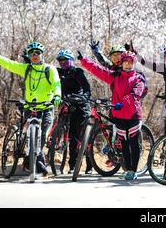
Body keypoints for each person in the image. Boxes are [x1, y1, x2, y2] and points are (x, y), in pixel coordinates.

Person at [0, 41, 61, 178]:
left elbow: (56, 83)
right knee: (27, 133)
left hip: (46, 106)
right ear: (28, 56)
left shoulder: (50, 69)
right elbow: (7, 63)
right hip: (30, 106)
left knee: (43, 135)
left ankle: (34, 162)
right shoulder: (26, 68)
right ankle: (31, 157)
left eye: (37, 53)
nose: (34, 55)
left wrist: (57, 95)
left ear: (42, 54)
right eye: (31, 53)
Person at [78, 50, 146, 180]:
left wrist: (122, 103)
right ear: (122, 63)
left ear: (134, 63)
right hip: (119, 115)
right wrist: (84, 60)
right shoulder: (115, 76)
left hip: (133, 116)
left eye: (130, 62)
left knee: (133, 144)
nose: (127, 64)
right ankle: (127, 170)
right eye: (125, 62)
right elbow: (99, 70)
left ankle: (133, 170)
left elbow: (136, 94)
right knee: (124, 144)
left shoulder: (139, 77)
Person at [55, 49, 92, 174]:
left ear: (71, 60)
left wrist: (85, 97)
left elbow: (86, 87)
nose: (63, 62)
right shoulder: (57, 72)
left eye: (66, 60)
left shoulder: (77, 72)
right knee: (72, 137)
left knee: (83, 137)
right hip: (68, 106)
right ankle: (72, 166)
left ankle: (89, 165)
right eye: (61, 60)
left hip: (81, 106)